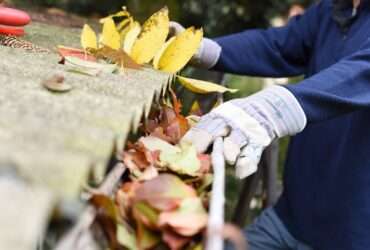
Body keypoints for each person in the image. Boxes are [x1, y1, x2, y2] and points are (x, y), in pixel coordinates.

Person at [171, 0, 370, 249]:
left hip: (353, 237)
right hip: (289, 218)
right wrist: (205, 50)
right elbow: (279, 45)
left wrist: (274, 109)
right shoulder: (332, 10)